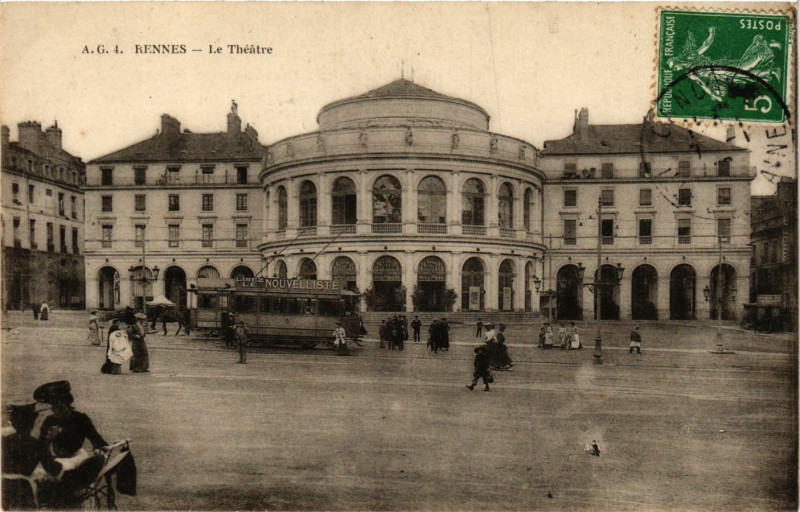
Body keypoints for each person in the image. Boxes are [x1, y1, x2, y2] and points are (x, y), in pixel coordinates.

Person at [32, 381, 107, 509]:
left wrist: (100, 449)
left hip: (75, 458)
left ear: (66, 404)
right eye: (53, 406)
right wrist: (48, 439)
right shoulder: (50, 420)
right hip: (55, 460)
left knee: (62, 478)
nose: (54, 409)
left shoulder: (80, 419)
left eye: (57, 406)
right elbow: (40, 446)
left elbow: (95, 438)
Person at [2, 402, 42, 510]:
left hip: (3, 487)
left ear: (13, 422)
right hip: (24, 489)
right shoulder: (36, 444)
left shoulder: (3, 441)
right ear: (32, 423)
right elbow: (54, 469)